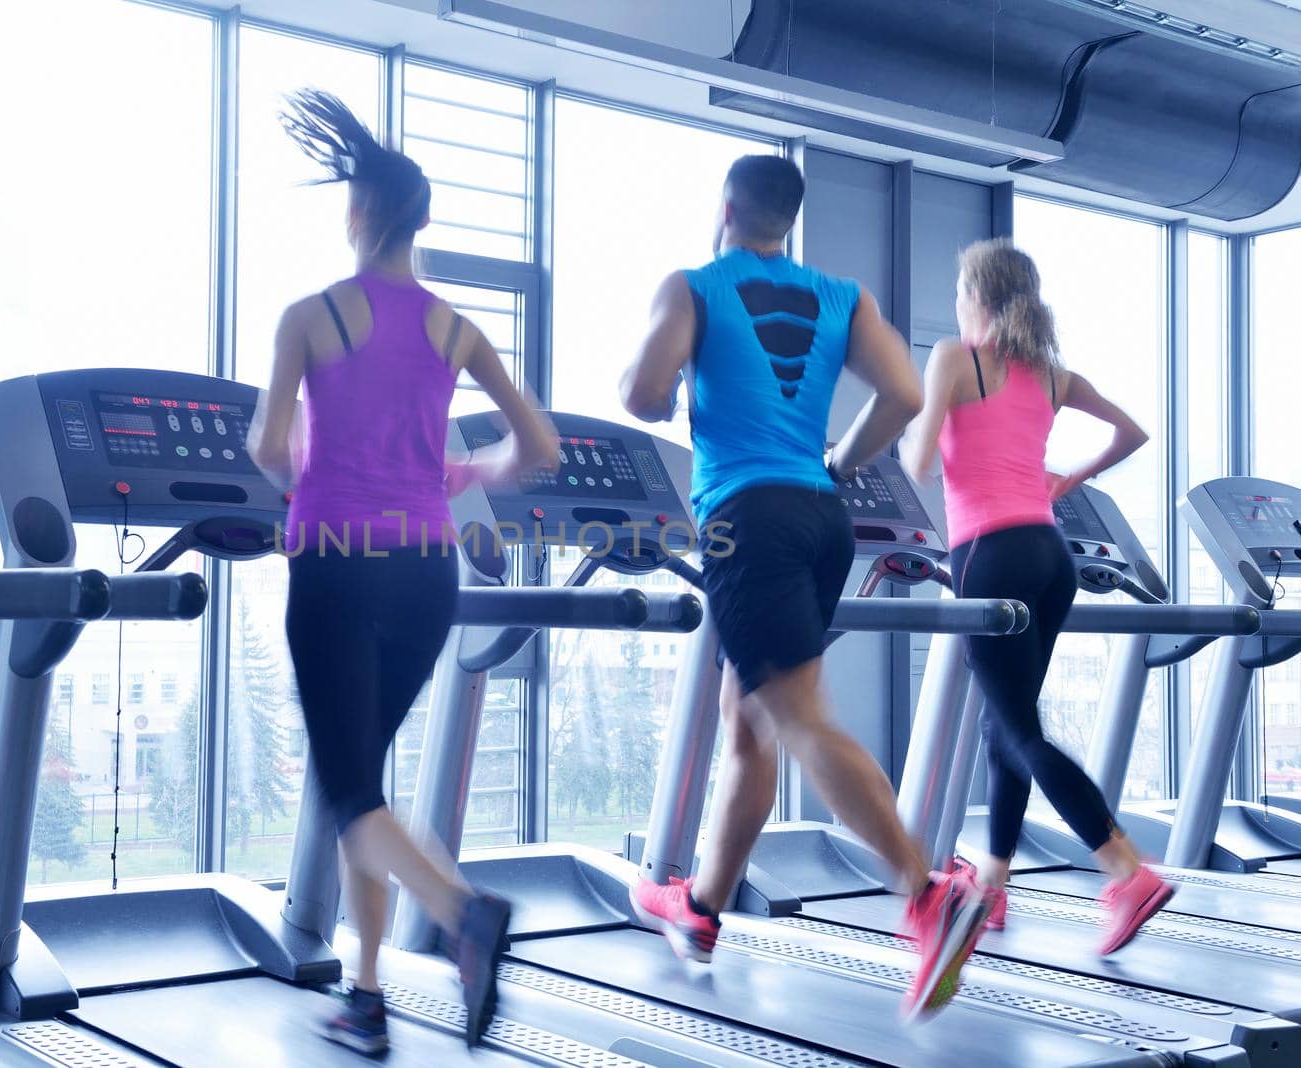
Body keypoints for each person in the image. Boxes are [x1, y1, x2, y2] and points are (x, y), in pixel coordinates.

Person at [620, 154, 989, 1022]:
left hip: (745, 517)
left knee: (799, 718)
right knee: (749, 719)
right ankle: (701, 908)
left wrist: (673, 382)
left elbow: (640, 394)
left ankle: (925, 892)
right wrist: (836, 461)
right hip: (824, 518)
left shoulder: (695, 285)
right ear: (790, 217)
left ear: (725, 208)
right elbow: (900, 394)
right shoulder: (844, 295)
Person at [250, 89, 559, 1055]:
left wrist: (315, 467)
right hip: (428, 575)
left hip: (338, 568)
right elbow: (538, 446)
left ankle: (465, 913)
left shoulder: (309, 316)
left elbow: (268, 448)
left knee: (350, 789)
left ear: (357, 214)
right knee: (362, 788)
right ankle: (367, 995)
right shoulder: (455, 327)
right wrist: (467, 472)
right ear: (415, 223)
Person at [900, 238, 1171, 955]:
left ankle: (1125, 869)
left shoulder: (956, 357)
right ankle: (991, 881)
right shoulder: (1051, 373)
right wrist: (1066, 482)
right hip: (1051, 558)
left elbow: (919, 460)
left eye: (961, 289)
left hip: (989, 554)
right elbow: (1133, 432)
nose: (956, 302)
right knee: (1005, 723)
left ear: (978, 296)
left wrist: (907, 433)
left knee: (1018, 731)